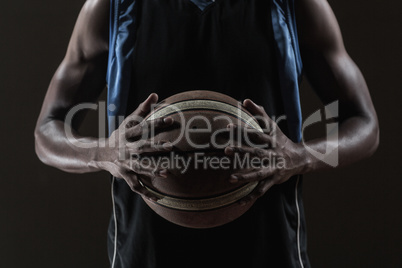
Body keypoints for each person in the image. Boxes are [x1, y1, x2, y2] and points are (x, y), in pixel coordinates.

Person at [34, 0, 379, 267]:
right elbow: (47, 131)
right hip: (146, 251)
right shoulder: (115, 7)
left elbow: (365, 125)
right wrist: (105, 153)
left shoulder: (290, 5)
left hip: (268, 247)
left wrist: (298, 157)